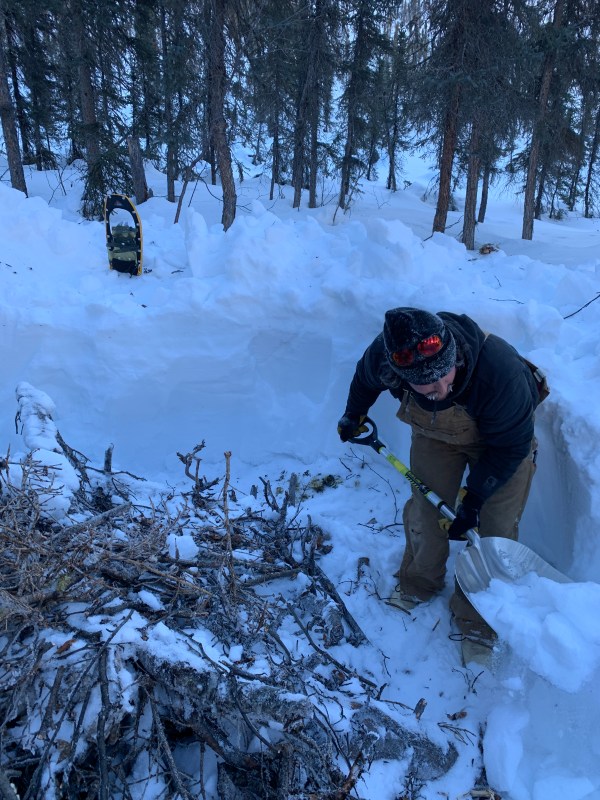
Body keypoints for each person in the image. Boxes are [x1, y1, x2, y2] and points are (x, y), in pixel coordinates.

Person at [337, 307, 547, 665]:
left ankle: (478, 619)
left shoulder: (500, 373)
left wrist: (475, 497)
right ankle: (419, 580)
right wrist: (354, 413)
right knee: (425, 506)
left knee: (494, 530)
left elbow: (511, 446)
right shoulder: (385, 356)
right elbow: (365, 378)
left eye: (446, 378)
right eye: (428, 385)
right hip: (436, 434)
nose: (441, 388)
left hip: (505, 443)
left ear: (455, 357)